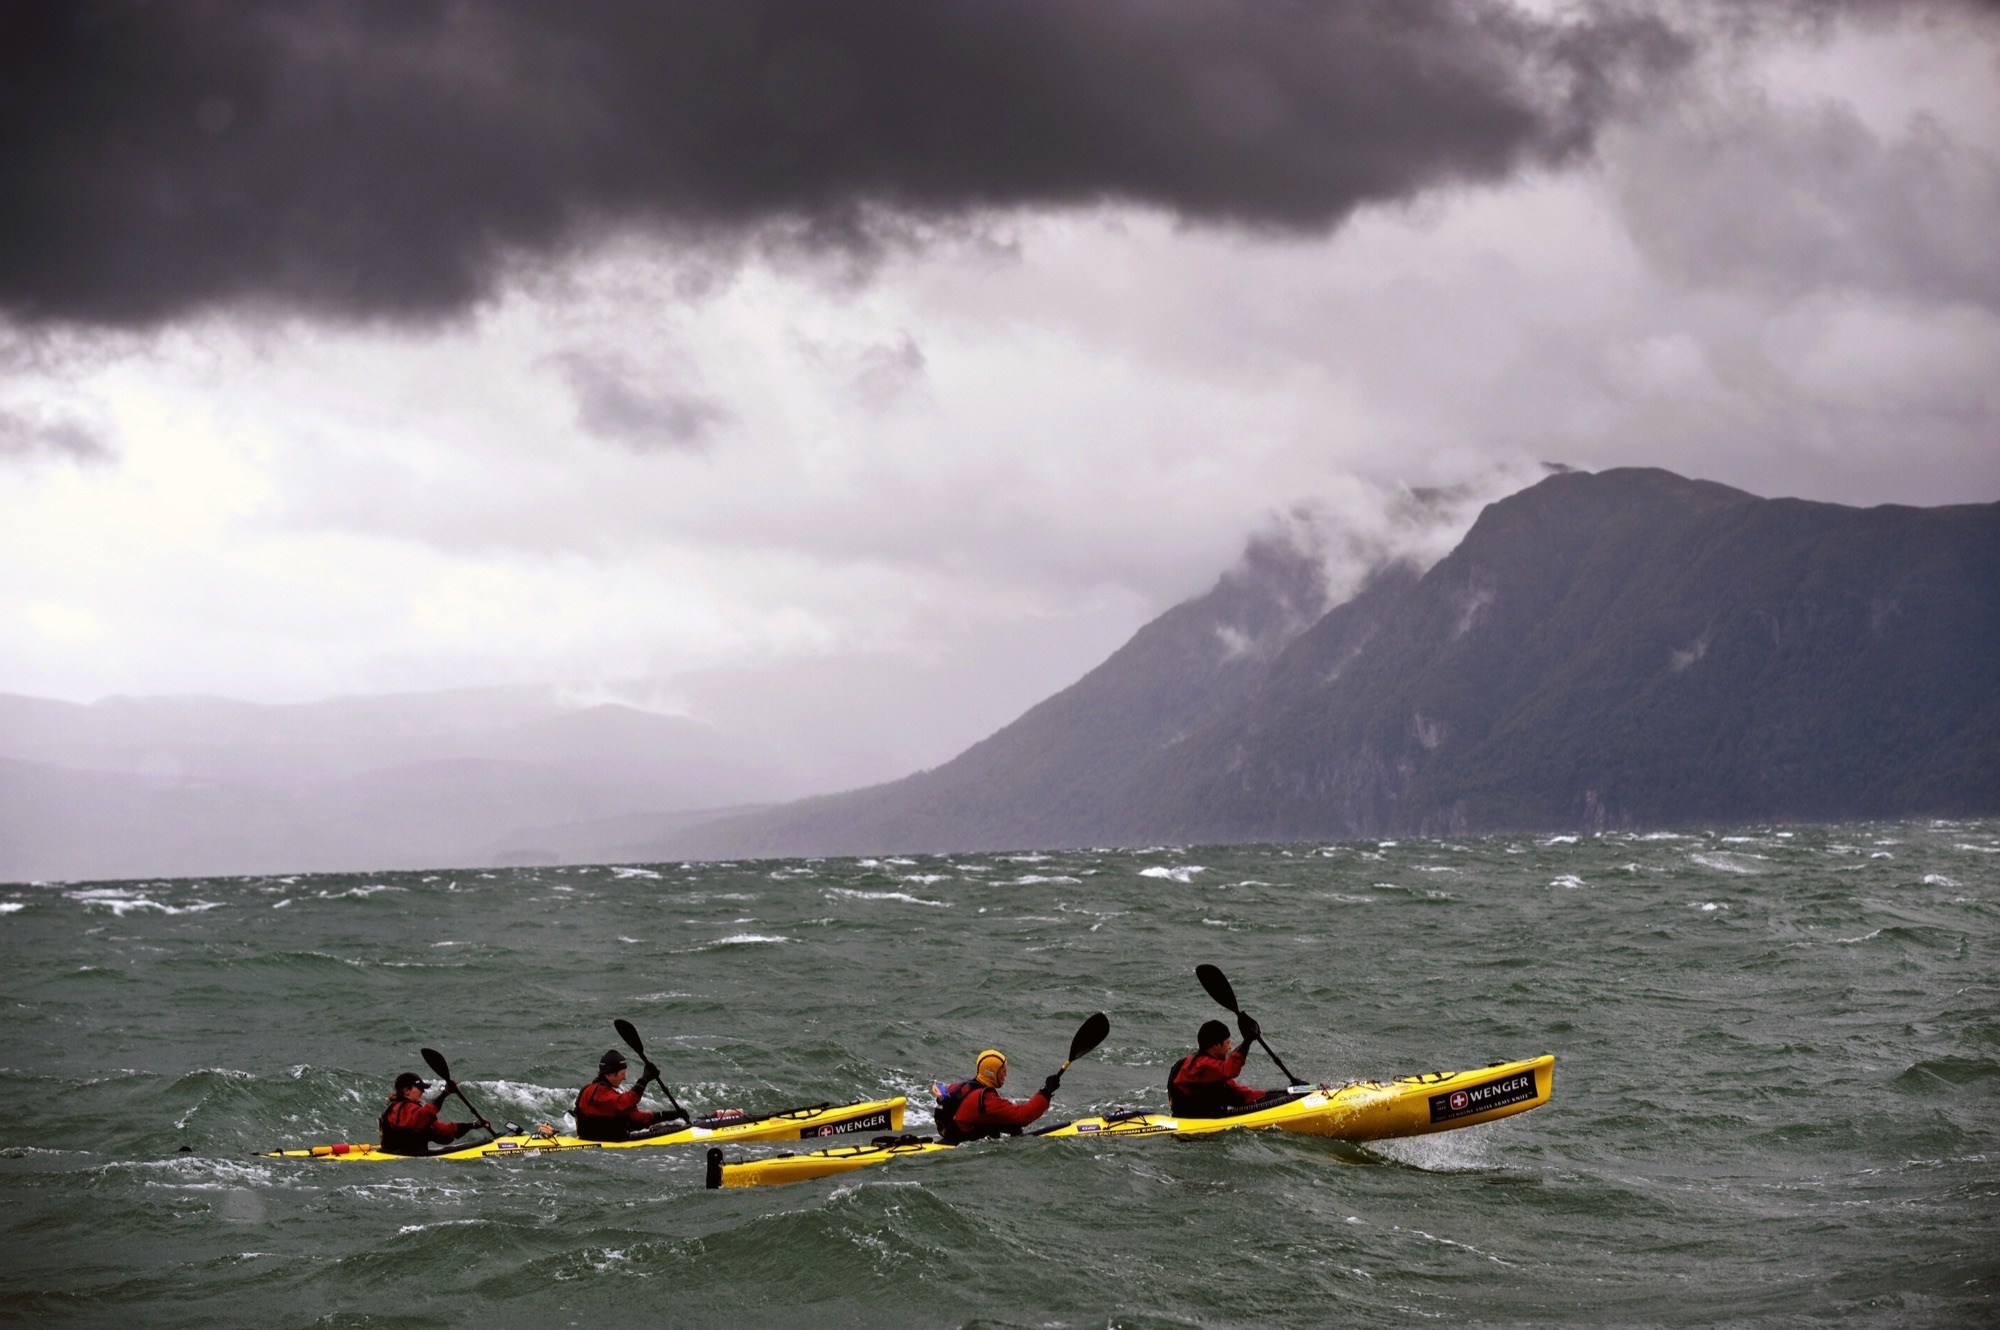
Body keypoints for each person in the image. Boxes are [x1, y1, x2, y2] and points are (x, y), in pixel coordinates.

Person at [932, 1048, 1061, 1144]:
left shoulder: (956, 1086)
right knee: (1015, 1125)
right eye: (1003, 1071)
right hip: (963, 1144)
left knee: (1008, 1125)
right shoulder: (985, 1098)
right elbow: (1023, 1115)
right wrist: (1046, 1091)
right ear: (991, 1073)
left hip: (950, 1136)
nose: (1005, 1075)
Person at [1166, 1016, 1275, 1117]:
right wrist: (1247, 1041)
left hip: (1202, 1112)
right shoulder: (1200, 1065)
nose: (1230, 1047)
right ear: (1216, 1046)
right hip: (1189, 1118)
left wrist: (1266, 1096)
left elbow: (1232, 1088)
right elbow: (1230, 1069)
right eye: (1227, 1043)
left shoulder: (1207, 1066)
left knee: (1231, 1091)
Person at [572, 1049, 684, 1141]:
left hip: (606, 1138)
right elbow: (625, 1103)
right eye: (622, 1074)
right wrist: (644, 1080)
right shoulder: (597, 1092)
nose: (625, 1078)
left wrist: (670, 1115)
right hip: (597, 1141)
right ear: (610, 1074)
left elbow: (636, 1118)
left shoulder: (602, 1092)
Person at [378, 1071, 477, 1155]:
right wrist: (445, 1093)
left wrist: (473, 1125)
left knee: (436, 1134)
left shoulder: (407, 1108)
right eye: (419, 1088)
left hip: (408, 1155)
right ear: (407, 1090)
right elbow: (423, 1115)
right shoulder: (400, 1108)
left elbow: (442, 1130)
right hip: (400, 1157)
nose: (423, 1091)